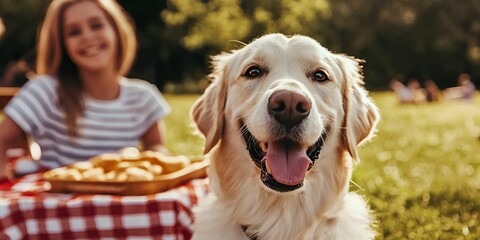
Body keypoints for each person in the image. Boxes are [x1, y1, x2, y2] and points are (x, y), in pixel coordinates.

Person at [0, 0, 171, 181]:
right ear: (61, 44)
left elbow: (156, 148)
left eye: (96, 26)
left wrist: (153, 159)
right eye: (74, 32)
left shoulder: (143, 97)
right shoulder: (46, 91)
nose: (87, 37)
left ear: (116, 30)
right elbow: (3, 138)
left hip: (122, 203)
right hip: (57, 203)